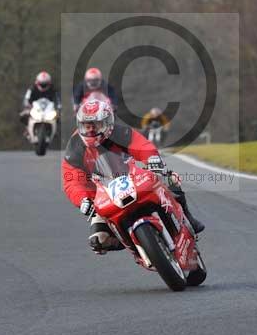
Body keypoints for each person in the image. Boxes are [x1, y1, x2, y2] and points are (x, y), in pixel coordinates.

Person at [61, 99, 204, 253]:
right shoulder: (75, 147)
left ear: (108, 122)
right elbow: (71, 180)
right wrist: (83, 199)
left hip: (134, 177)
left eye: (95, 126)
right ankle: (130, 243)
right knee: (98, 240)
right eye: (86, 126)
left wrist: (152, 160)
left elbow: (142, 146)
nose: (90, 131)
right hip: (103, 193)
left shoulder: (120, 132)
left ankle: (188, 219)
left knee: (170, 178)